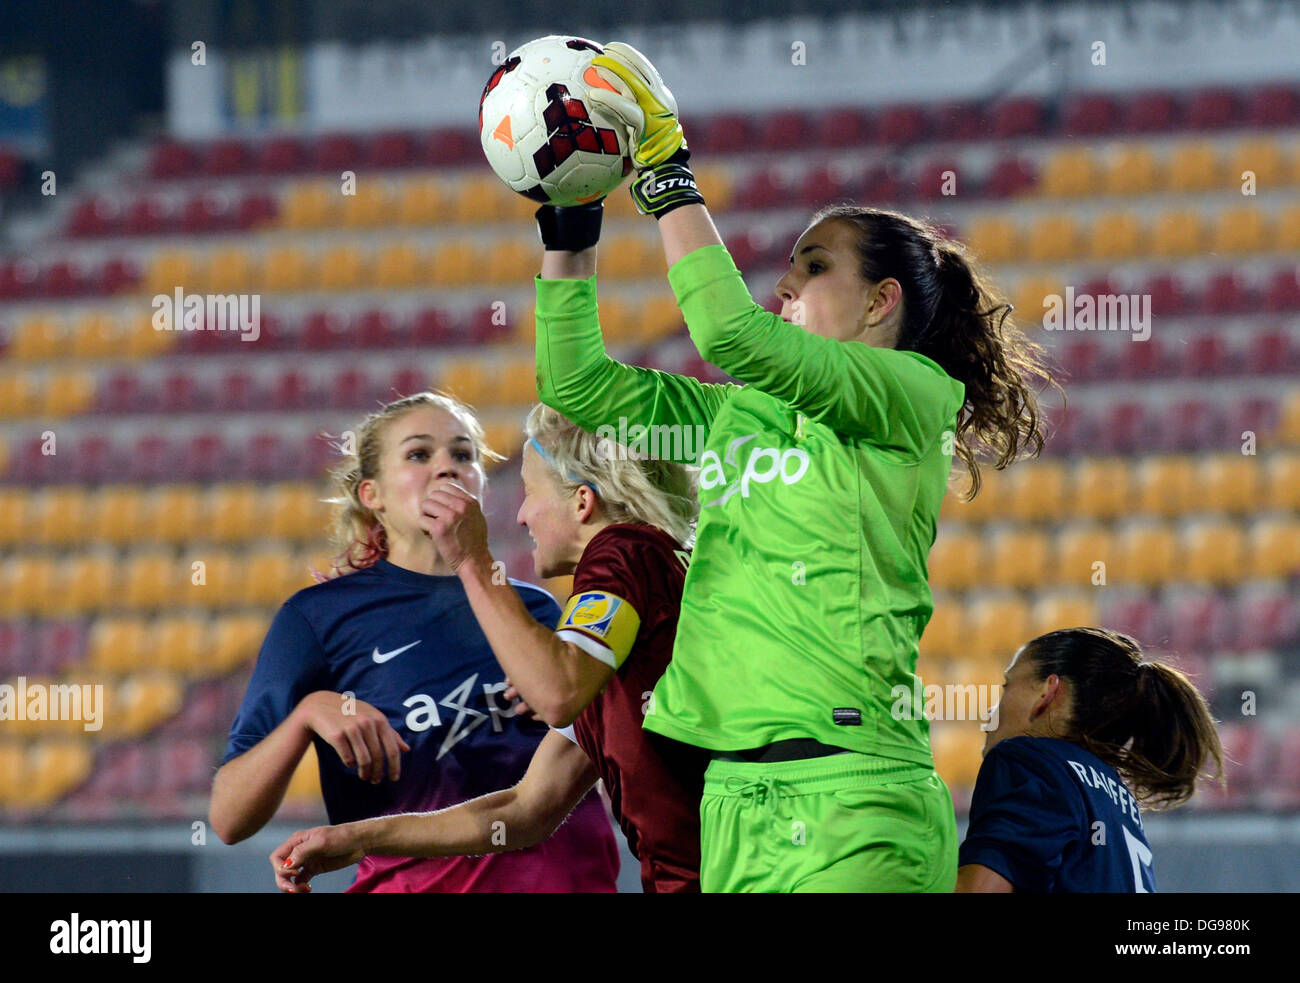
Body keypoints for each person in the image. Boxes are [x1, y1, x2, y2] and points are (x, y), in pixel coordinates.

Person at [528, 41, 1060, 891]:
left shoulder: (912, 393)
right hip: (734, 801)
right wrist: (570, 223)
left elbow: (728, 332)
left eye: (815, 267)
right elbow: (577, 386)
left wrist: (666, 172)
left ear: (882, 301)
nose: (786, 281)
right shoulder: (738, 414)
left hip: (855, 796)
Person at [271, 404, 710, 893]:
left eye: (529, 493)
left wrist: (471, 557)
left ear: (582, 502)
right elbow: (525, 810)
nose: (521, 516)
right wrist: (357, 838)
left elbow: (556, 690)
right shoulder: (624, 619)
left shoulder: (623, 550)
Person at [210, 391, 619, 892]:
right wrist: (307, 714)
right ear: (372, 495)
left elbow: (583, 777)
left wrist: (568, 708)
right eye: (419, 454)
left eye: (464, 455)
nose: (448, 468)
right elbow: (230, 819)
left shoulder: (535, 610)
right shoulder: (318, 618)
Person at [957, 628, 1224, 893]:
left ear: (1047, 692)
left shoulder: (1030, 761)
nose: (992, 710)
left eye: (1007, 686)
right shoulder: (1117, 798)